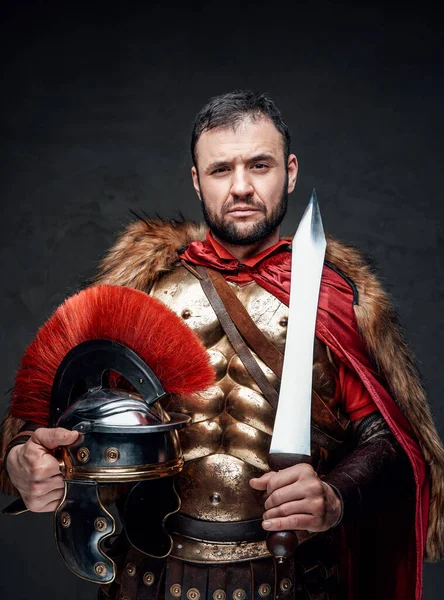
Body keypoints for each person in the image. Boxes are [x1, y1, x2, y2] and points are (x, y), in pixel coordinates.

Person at [1, 90, 444, 600]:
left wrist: (334, 496)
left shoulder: (333, 299)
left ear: (290, 171)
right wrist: (26, 461)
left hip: (290, 581)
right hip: (148, 579)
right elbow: (53, 419)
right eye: (220, 170)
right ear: (196, 179)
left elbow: (389, 444)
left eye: (260, 165)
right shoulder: (139, 290)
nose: (241, 187)